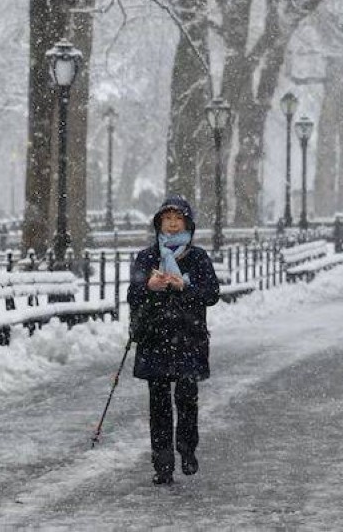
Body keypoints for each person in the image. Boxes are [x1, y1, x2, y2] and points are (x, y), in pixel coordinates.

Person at [127, 196, 220, 485]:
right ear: (159, 223)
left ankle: (187, 449)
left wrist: (184, 287)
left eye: (177, 218)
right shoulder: (146, 257)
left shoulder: (198, 257)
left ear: (187, 223)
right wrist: (149, 286)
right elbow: (132, 296)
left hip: (188, 338)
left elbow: (212, 294)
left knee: (187, 399)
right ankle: (163, 462)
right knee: (159, 404)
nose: (171, 222)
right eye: (167, 218)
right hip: (156, 338)